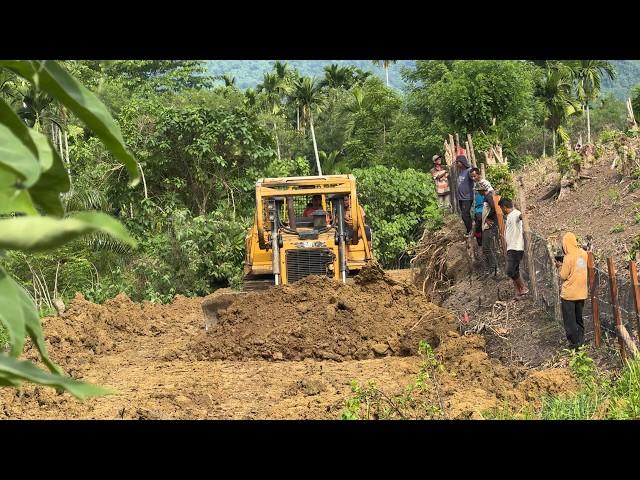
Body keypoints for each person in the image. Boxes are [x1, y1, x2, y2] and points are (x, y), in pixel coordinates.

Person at [556, 232, 588, 350]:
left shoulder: (568, 258)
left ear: (565, 245)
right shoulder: (584, 254)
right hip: (581, 292)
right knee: (579, 318)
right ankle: (581, 341)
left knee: (570, 322)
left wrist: (560, 266)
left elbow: (563, 276)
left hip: (569, 295)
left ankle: (574, 345)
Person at [498, 197, 529, 298]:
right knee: (514, 270)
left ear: (505, 207)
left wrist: (523, 215)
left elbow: (520, 217)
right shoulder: (510, 216)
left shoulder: (515, 214)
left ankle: (523, 288)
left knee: (510, 270)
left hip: (515, 247)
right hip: (512, 247)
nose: (501, 210)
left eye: (501, 208)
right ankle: (519, 290)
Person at [475, 179, 499, 277]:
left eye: (479, 190)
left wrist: (489, 218)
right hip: (486, 226)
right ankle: (491, 269)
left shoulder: (488, 197)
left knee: (487, 248)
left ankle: (494, 268)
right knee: (486, 248)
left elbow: (494, 208)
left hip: (489, 227)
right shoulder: (486, 197)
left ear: (482, 190)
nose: (478, 192)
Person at [455, 153, 475, 236]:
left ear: (462, 162)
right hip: (461, 198)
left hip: (467, 197)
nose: (457, 164)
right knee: (465, 215)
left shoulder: (469, 171)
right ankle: (469, 231)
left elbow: (474, 178)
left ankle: (470, 231)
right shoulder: (461, 171)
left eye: (457, 162)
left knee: (465, 215)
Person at [469, 167, 483, 246]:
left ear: (479, 175)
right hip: (476, 210)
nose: (473, 178)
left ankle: (482, 245)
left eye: (474, 176)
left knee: (480, 228)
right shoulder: (475, 184)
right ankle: (480, 245)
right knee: (478, 228)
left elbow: (491, 194)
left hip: (481, 210)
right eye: (472, 176)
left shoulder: (484, 183)